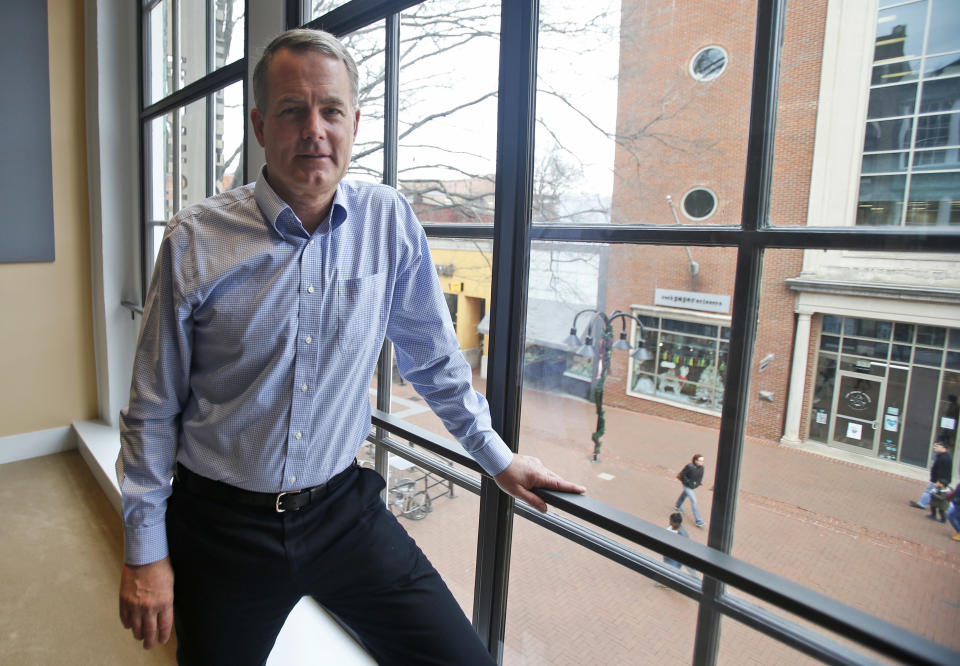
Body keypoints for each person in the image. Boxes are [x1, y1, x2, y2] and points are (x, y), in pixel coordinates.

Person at [116, 28, 585, 665]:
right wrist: (145, 551)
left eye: (331, 110)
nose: (315, 128)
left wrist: (499, 460)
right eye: (292, 110)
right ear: (260, 124)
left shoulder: (389, 220)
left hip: (342, 513)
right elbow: (152, 408)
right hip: (221, 528)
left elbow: (434, 360)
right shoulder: (195, 240)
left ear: (355, 122)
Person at [910, 439, 952, 514]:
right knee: (936, 493)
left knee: (931, 492)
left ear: (943, 447)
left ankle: (922, 504)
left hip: (938, 480)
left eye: (937, 446)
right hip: (939, 480)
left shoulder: (944, 458)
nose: (935, 447)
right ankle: (925, 504)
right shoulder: (942, 456)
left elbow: (943, 471)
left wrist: (939, 481)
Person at [675, 454, 706, 527]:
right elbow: (683, 474)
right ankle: (698, 520)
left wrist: (699, 482)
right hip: (687, 485)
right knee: (694, 501)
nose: (702, 462)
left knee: (684, 494)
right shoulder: (690, 466)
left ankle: (678, 505)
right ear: (695, 461)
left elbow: (701, 476)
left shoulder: (702, 467)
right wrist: (688, 482)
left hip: (693, 486)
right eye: (700, 461)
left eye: (703, 460)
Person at [663, 512, 698, 577]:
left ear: (677, 523)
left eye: (671, 521)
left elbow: (685, 547)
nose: (670, 522)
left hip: (675, 556)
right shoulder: (671, 527)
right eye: (670, 520)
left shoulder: (683, 534)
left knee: (673, 571)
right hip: (667, 553)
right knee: (667, 567)